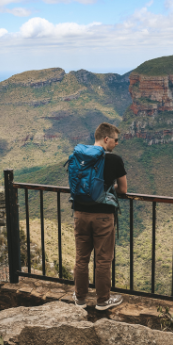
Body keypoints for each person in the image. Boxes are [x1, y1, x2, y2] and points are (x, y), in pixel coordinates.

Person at [72, 122, 126, 311]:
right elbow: (123, 189)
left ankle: (79, 298)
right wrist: (110, 189)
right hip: (103, 216)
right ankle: (103, 301)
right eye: (115, 140)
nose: (117, 143)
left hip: (80, 214)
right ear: (106, 139)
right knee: (103, 260)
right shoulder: (114, 160)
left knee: (81, 258)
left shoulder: (79, 156)